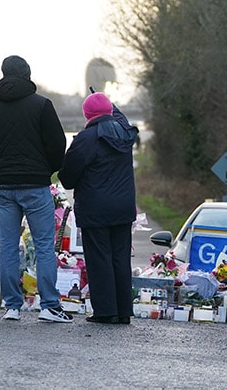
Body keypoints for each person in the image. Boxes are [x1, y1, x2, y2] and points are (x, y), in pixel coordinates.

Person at [0, 55, 72, 323]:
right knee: (44, 246)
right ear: (27, 74)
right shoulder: (41, 105)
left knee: (9, 246)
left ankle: (12, 306)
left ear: (3, 75)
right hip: (36, 185)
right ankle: (50, 306)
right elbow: (57, 143)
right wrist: (46, 169)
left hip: (4, 187)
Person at [59, 92, 139, 325]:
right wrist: (109, 104)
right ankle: (124, 311)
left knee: (99, 259)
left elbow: (68, 178)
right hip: (123, 208)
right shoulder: (125, 134)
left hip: (95, 209)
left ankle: (106, 311)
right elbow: (120, 118)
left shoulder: (86, 139)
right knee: (121, 259)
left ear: (87, 115)